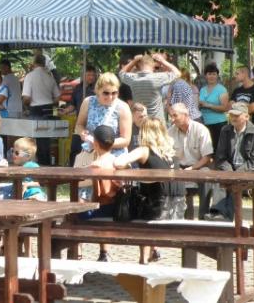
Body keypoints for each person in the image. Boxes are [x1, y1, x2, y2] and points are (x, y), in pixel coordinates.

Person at [114, 117, 186, 264]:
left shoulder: (144, 150)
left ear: (144, 133)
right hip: (178, 206)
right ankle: (154, 249)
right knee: (148, 199)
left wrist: (129, 167)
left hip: (157, 207)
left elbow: (118, 162)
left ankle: (144, 259)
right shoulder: (171, 152)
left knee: (139, 212)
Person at [205, 102, 254, 221]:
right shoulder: (225, 130)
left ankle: (224, 216)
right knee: (220, 179)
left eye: (237, 115)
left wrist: (238, 172)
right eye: (231, 115)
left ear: (246, 117)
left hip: (250, 170)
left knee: (235, 183)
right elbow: (220, 157)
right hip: (230, 169)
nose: (233, 118)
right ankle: (216, 212)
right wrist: (229, 171)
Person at [79, 125, 123, 262]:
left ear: (96, 143)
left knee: (73, 213)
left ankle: (77, 253)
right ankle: (104, 252)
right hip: (119, 208)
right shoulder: (118, 161)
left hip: (104, 210)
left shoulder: (96, 164)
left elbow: (96, 193)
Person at [168, 103, 214, 219]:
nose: (172, 119)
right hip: (179, 167)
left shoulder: (201, 130)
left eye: (175, 115)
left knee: (206, 174)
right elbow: (167, 155)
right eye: (170, 116)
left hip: (199, 166)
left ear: (185, 114)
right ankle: (179, 218)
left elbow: (207, 157)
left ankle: (203, 216)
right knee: (168, 175)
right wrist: (176, 168)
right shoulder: (170, 132)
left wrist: (193, 168)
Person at [75, 72, 132, 158]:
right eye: (106, 93)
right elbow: (79, 125)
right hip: (90, 155)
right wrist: (83, 134)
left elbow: (126, 140)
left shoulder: (123, 107)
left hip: (114, 157)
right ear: (98, 90)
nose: (110, 97)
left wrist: (101, 144)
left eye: (114, 93)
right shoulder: (88, 102)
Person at [119, 53, 181, 123]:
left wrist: (134, 61)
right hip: (157, 123)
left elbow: (121, 73)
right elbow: (177, 73)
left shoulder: (133, 78)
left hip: (140, 122)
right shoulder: (158, 78)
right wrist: (162, 61)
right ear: (153, 65)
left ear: (137, 66)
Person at [22, 54, 61, 165]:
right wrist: (52, 106)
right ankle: (47, 164)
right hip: (49, 110)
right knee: (46, 140)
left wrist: (25, 106)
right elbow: (58, 97)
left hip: (35, 110)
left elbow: (26, 98)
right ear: (44, 63)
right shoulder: (50, 77)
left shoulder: (29, 76)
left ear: (34, 63)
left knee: (34, 141)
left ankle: (38, 165)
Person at [64, 65, 98, 166]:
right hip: (80, 123)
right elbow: (73, 105)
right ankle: (72, 169)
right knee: (74, 148)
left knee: (89, 149)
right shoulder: (78, 88)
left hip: (92, 123)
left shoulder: (96, 89)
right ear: (83, 75)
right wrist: (65, 111)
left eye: (93, 75)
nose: (91, 77)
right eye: (89, 75)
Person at [198, 64, 229, 150]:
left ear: (217, 75)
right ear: (205, 76)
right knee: (206, 149)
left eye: (214, 74)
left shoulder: (221, 89)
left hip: (218, 123)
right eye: (209, 74)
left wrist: (209, 105)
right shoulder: (202, 89)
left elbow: (225, 108)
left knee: (218, 149)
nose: (211, 76)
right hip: (204, 123)